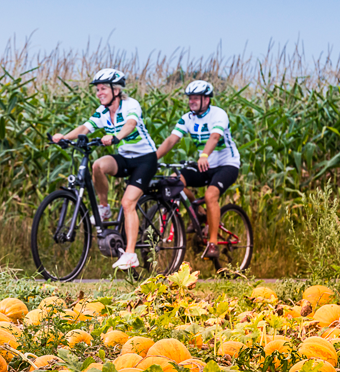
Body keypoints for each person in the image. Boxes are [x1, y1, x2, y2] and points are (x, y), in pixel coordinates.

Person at [52, 68, 157, 270]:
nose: (99, 93)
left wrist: (117, 137)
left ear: (116, 90)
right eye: (97, 89)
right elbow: (85, 128)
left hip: (145, 159)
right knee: (98, 165)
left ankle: (130, 254)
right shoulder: (103, 112)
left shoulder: (129, 105)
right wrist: (64, 137)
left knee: (128, 203)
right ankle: (103, 207)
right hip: (126, 157)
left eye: (103, 89)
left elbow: (131, 124)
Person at [155, 80, 241, 258]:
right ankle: (199, 213)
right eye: (190, 98)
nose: (191, 101)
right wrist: (152, 159)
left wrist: (204, 155)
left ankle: (212, 244)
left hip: (227, 164)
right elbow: (172, 139)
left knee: (211, 196)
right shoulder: (188, 118)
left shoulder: (218, 114)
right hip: (206, 164)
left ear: (206, 100)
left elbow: (215, 136)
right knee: (174, 181)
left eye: (196, 98)